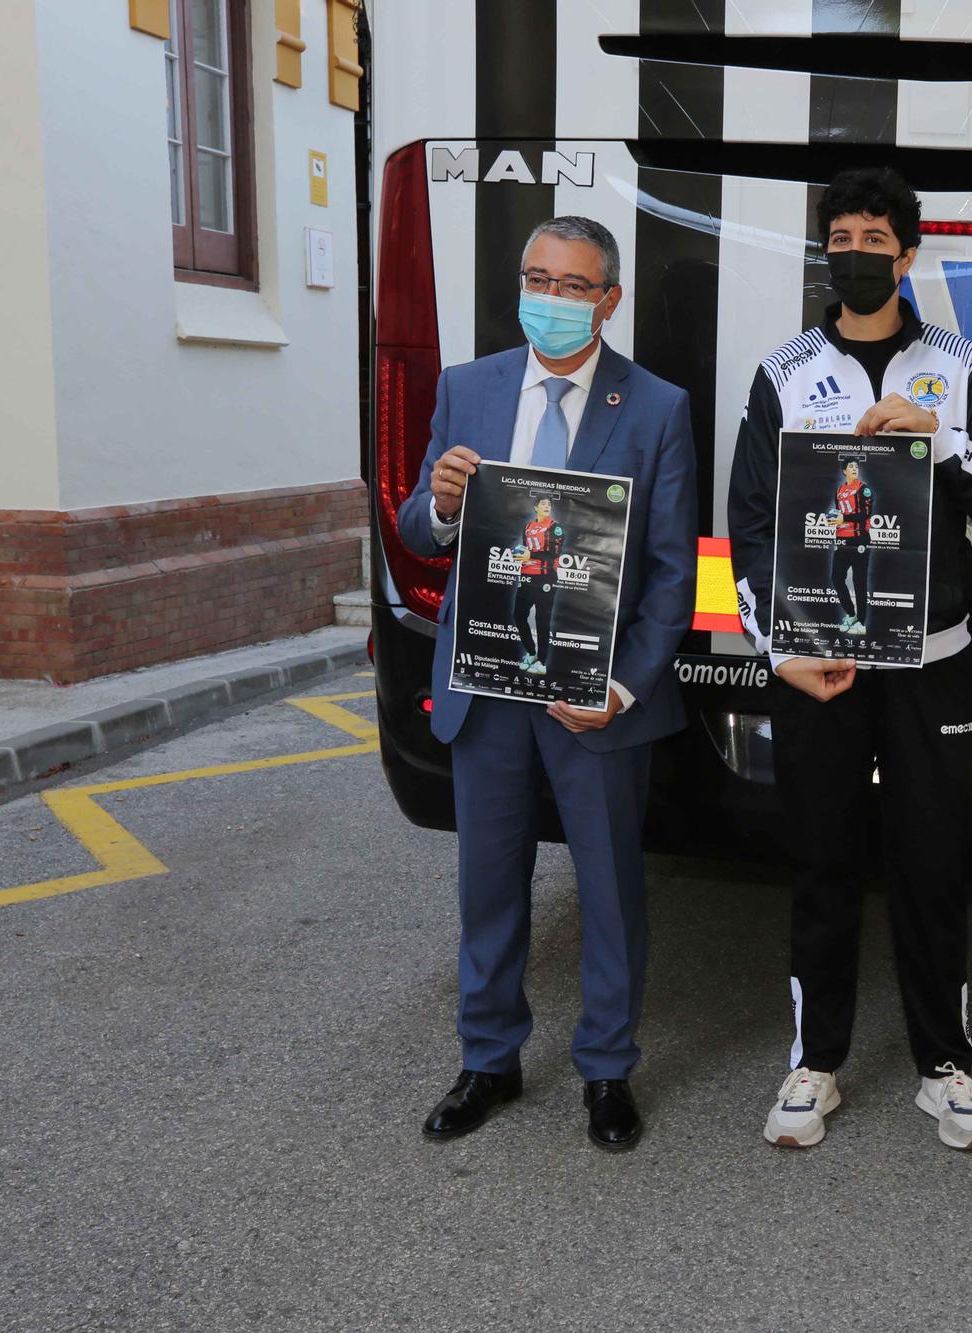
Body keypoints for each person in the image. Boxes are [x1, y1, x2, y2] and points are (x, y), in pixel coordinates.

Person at [728, 166, 972, 1151]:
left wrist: (937, 437)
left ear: (908, 255)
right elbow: (750, 525)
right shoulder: (782, 371)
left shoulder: (956, 362)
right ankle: (814, 1064)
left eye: (874, 237)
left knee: (932, 860)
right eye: (841, 235)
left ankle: (943, 1066)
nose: (855, 251)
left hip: (935, 657)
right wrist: (778, 650)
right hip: (822, 664)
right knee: (821, 857)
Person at [396, 216, 698, 1150]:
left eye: (574, 285)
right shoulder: (467, 388)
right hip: (487, 688)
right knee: (489, 885)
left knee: (608, 890)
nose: (552, 300)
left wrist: (627, 687)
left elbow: (672, 572)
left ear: (609, 299)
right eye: (537, 278)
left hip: (592, 695)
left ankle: (607, 1070)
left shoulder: (655, 407)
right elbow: (414, 526)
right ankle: (487, 1058)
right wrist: (441, 504)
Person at [510, 496, 564, 674]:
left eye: (549, 504)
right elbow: (525, 551)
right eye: (543, 504)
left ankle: (542, 662)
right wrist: (519, 556)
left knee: (542, 620)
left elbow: (553, 556)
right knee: (518, 615)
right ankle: (532, 653)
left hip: (545, 578)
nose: (547, 506)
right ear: (536, 507)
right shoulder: (527, 527)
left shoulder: (555, 528)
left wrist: (530, 555)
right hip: (526, 577)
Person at [830, 458, 872, 636]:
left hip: (860, 539)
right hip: (842, 540)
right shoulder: (839, 490)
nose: (854, 469)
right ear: (844, 471)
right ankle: (852, 614)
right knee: (836, 578)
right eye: (851, 467)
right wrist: (834, 521)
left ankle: (861, 623)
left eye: (856, 466)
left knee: (859, 581)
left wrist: (845, 519)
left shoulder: (864, 489)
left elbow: (867, 514)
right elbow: (839, 513)